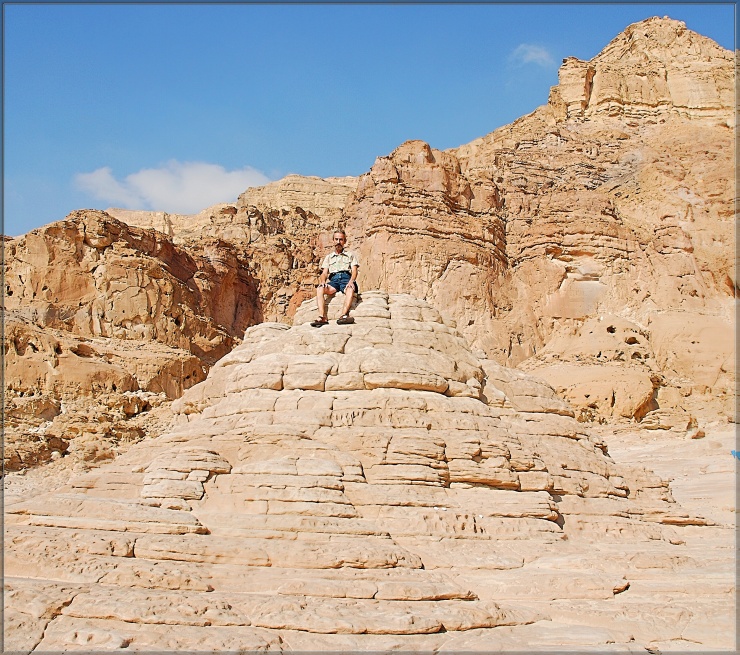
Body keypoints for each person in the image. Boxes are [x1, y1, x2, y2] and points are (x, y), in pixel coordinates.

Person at [311, 229, 359, 327]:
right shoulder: (329, 257)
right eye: (336, 239)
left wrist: (351, 281)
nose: (338, 242)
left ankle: (343, 315)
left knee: (350, 289)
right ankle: (322, 317)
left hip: (346, 278)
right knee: (320, 288)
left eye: (341, 240)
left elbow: (354, 271)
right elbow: (324, 273)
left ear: (344, 241)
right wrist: (323, 281)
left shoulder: (350, 255)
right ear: (333, 241)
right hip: (334, 281)